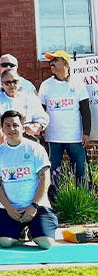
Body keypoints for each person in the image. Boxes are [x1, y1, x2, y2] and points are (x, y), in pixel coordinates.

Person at [0, 110, 57, 249]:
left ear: (22, 126)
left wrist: (34, 206)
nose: (11, 129)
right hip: (10, 208)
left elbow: (45, 179)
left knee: (45, 243)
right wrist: (8, 207)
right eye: (7, 125)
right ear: (3, 128)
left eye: (15, 125)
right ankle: (20, 230)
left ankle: (36, 228)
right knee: (5, 242)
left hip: (36, 206)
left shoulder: (35, 149)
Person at [39, 50, 91, 185]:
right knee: (52, 171)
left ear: (66, 63)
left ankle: (83, 200)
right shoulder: (45, 85)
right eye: (51, 61)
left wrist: (86, 133)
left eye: (55, 60)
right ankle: (53, 200)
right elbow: (41, 110)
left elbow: (85, 109)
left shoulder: (78, 84)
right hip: (53, 137)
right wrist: (40, 129)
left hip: (75, 137)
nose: (51, 63)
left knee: (80, 170)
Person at [0, 69, 48, 141]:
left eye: (15, 82)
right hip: (4, 138)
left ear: (20, 82)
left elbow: (43, 118)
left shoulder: (30, 98)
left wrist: (35, 126)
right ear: (2, 84)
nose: (12, 85)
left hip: (26, 137)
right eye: (8, 83)